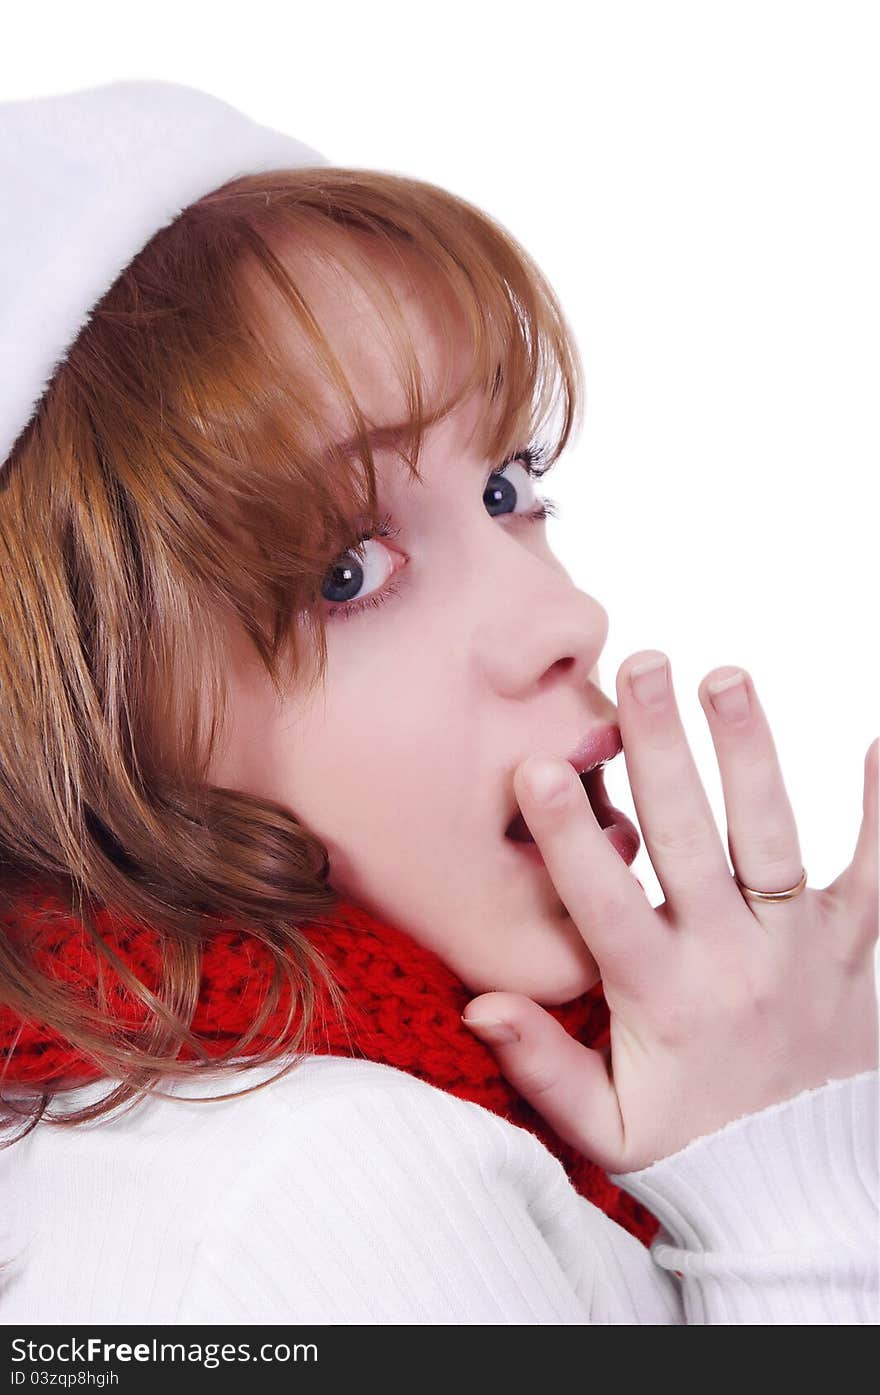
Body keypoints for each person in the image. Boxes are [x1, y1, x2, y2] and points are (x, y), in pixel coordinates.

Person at [0, 79, 876, 1326]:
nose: (564, 620)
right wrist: (795, 1200)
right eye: (347, 571)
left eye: (509, 489)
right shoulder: (323, 1186)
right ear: (69, 737)